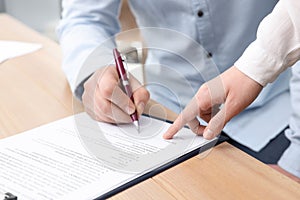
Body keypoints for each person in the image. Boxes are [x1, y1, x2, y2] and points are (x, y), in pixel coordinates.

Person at [57, 0, 299, 181]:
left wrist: (296, 161)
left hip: (278, 111)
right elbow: (83, 18)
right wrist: (95, 71)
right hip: (167, 112)